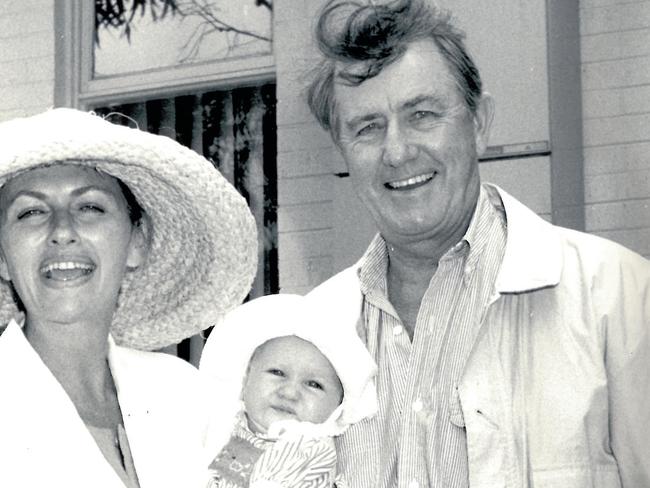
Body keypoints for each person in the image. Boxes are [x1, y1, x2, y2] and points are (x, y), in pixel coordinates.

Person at [304, 0, 650, 487]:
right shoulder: (310, 332)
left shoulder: (620, 298)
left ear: (480, 123)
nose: (398, 151)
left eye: (422, 114)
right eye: (367, 128)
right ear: (343, 151)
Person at [0, 108, 258, 487]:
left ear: (137, 241)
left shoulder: (185, 394)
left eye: (90, 207)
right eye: (31, 212)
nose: (62, 231)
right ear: (2, 257)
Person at [199, 293, 377, 488]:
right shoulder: (223, 425)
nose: (289, 393)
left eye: (313, 384)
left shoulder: (307, 449)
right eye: (277, 372)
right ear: (247, 376)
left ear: (338, 406)